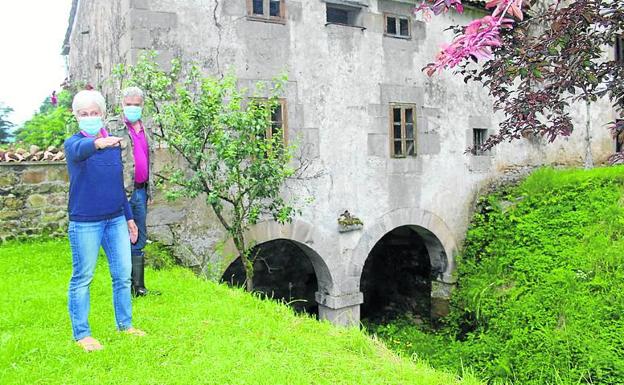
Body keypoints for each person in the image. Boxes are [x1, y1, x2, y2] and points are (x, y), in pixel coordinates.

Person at [64, 89, 145, 352]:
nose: (90, 117)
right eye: (84, 114)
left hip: (115, 221)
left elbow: (118, 187)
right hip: (86, 222)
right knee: (83, 277)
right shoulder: (74, 144)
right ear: (76, 116)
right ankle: (82, 334)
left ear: (102, 114)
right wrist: (98, 143)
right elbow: (79, 151)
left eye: (94, 113)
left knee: (122, 275)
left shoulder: (112, 147)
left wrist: (129, 218)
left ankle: (125, 325)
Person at [114, 86, 157, 296]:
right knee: (121, 236)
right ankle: (123, 285)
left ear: (142, 106)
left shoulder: (147, 129)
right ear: (122, 105)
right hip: (122, 193)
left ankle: (138, 287)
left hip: (141, 191)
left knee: (138, 235)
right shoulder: (113, 128)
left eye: (136, 105)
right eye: (128, 104)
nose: (132, 108)